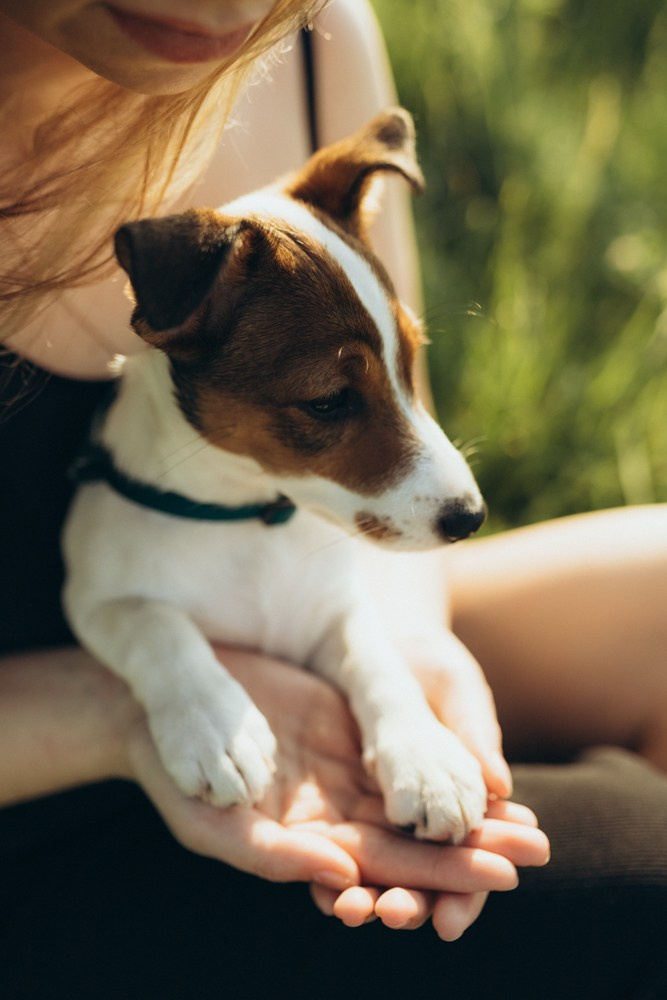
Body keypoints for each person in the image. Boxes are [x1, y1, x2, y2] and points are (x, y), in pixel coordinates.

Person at [0, 1, 665, 997]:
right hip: (53, 829)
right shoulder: (202, 285)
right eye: (328, 405)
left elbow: (389, 561)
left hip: (305, 603)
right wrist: (131, 702)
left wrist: (405, 670)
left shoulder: (312, 44)